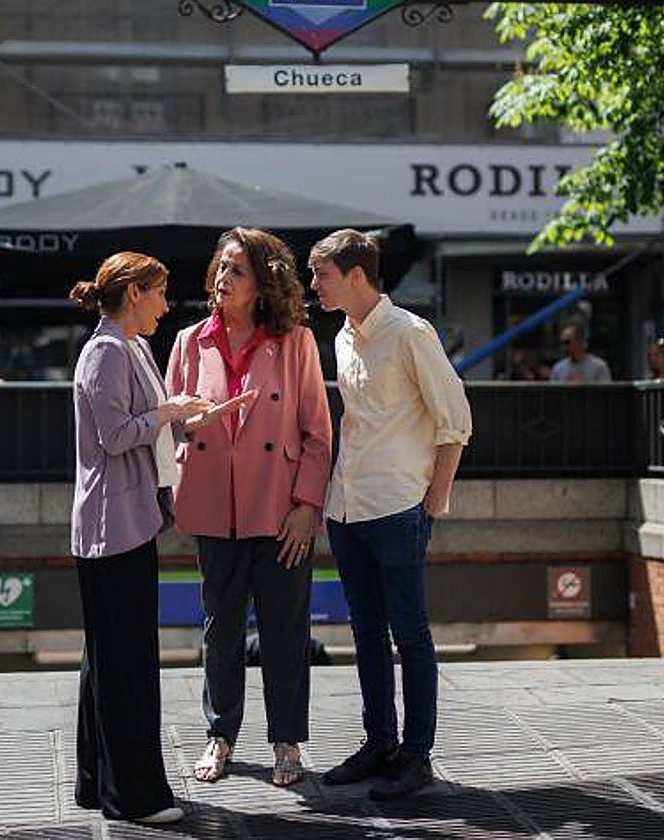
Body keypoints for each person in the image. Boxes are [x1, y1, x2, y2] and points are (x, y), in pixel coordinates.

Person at [308, 229, 472, 800]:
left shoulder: (409, 333)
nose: (313, 286)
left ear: (356, 276)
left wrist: (434, 501)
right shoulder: (342, 337)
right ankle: (379, 742)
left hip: (399, 506)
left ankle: (416, 755)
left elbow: (455, 417)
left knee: (410, 634)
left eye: (321, 275)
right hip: (347, 509)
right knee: (366, 634)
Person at [166, 227, 332, 788]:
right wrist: (190, 423)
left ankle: (287, 742)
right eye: (220, 266)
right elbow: (168, 424)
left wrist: (308, 504)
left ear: (262, 284)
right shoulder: (190, 341)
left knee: (286, 630)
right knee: (220, 627)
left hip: (281, 508)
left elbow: (317, 434)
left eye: (236, 269)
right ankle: (221, 735)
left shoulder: (296, 343)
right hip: (214, 506)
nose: (222, 277)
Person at [69, 252, 213, 825]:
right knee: (125, 663)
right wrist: (170, 411)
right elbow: (114, 435)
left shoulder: (134, 347)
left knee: (107, 659)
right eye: (159, 292)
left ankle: (96, 782)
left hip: (126, 519)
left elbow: (151, 420)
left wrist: (192, 415)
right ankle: (134, 796)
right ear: (133, 292)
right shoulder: (104, 350)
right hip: (112, 526)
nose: (165, 303)